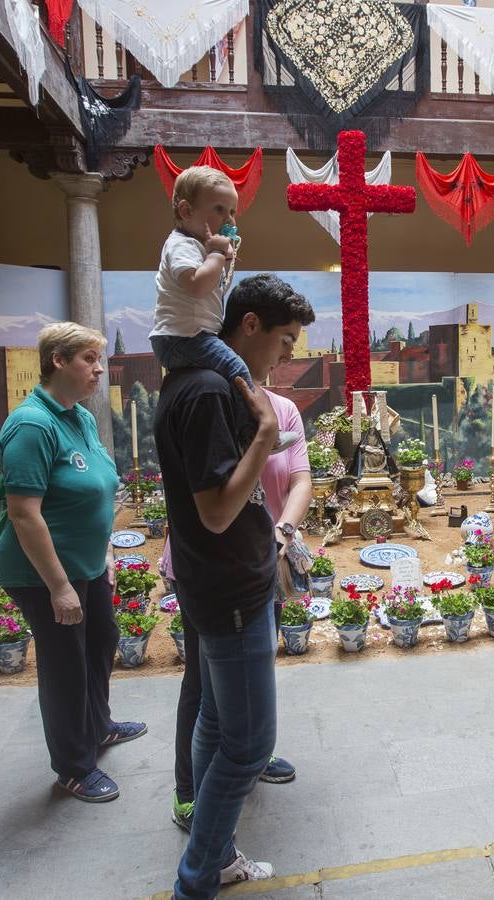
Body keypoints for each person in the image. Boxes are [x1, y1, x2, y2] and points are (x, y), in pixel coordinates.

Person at [155, 274, 315, 897]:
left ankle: (214, 854)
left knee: (218, 725)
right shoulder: (208, 393)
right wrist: (266, 439)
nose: (287, 355)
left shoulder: (202, 383)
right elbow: (218, 511)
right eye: (283, 340)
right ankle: (198, 877)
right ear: (248, 325)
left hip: (221, 581)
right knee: (249, 747)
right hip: (229, 593)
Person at [0, 322, 146, 803]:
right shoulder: (31, 425)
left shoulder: (76, 416)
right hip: (44, 574)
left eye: (99, 359)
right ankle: (74, 767)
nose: (99, 369)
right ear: (58, 361)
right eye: (89, 359)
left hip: (86, 564)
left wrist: (101, 556)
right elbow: (23, 512)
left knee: (101, 640)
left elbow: (95, 488)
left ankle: (98, 728)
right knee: (64, 665)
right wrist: (59, 586)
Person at [161, 383, 314, 831]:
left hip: (268, 561)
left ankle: (250, 754)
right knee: (202, 685)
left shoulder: (283, 408)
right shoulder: (207, 404)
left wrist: (282, 533)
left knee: (257, 663)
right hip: (215, 569)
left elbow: (301, 478)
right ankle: (188, 792)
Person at [150, 165, 298, 452]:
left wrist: (222, 259)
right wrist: (217, 253)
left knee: (231, 374)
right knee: (237, 369)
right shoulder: (181, 245)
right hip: (183, 337)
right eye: (219, 209)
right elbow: (196, 285)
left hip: (192, 335)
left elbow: (214, 291)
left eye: (232, 212)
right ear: (186, 211)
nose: (229, 219)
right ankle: (259, 433)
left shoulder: (198, 247)